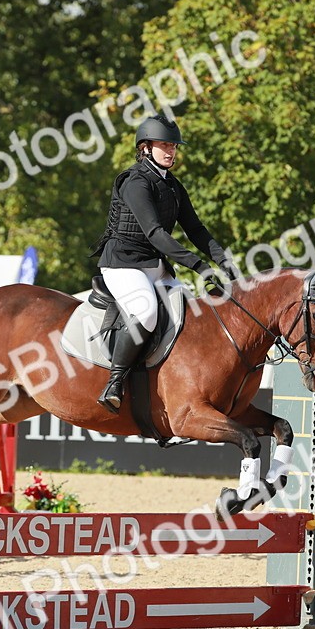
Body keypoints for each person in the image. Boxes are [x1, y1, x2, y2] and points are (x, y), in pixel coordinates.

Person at [89, 112, 234, 412]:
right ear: (145, 147)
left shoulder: (172, 186)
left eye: (174, 146)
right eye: (164, 145)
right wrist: (200, 266)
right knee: (147, 312)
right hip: (122, 263)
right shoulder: (135, 183)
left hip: (153, 265)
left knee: (192, 314)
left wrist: (223, 260)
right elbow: (155, 233)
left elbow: (196, 229)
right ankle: (114, 383)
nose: (171, 151)